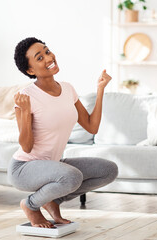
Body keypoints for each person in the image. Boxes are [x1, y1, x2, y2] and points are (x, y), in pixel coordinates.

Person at [8, 37, 118, 228]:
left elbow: (92, 127)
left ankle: (53, 200)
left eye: (47, 51)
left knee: (108, 170)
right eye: (39, 58)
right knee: (72, 176)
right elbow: (26, 146)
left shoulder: (67, 89)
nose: (48, 58)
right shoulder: (27, 97)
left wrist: (100, 90)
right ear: (30, 70)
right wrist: (25, 111)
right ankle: (31, 205)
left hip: (53, 166)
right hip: (24, 168)